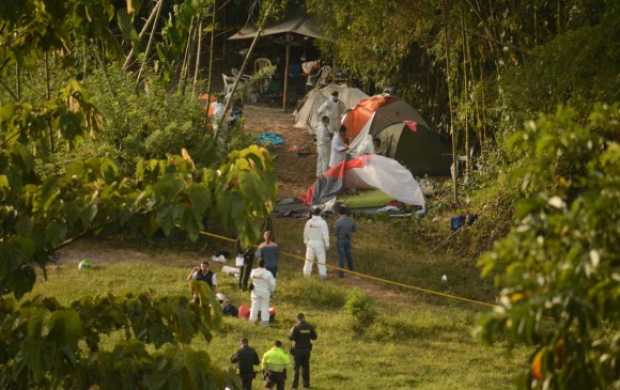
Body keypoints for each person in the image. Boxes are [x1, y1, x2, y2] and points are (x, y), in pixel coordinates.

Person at [289, 313, 318, 390]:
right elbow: (314, 337)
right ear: (304, 318)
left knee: (296, 368)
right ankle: (306, 385)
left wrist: (291, 331)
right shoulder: (309, 326)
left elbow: (291, 338)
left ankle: (294, 386)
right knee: (306, 367)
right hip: (307, 350)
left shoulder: (296, 327)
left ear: (297, 318)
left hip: (298, 350)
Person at [303, 207, 329, 280]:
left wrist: (306, 242)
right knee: (321, 261)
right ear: (320, 213)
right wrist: (327, 244)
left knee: (308, 260)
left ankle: (306, 276)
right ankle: (322, 276)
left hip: (310, 243)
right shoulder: (323, 222)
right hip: (319, 243)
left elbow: (305, 233)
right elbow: (325, 234)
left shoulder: (309, 222)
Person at [249, 259, 276, 326]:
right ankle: (264, 321)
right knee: (265, 306)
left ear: (258, 264)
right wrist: (272, 291)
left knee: (254, 306)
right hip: (265, 292)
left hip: (255, 291)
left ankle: (252, 320)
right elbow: (272, 284)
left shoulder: (253, 272)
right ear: (264, 264)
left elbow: (251, 280)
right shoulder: (268, 273)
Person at [335, 205, 356, 277]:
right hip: (348, 240)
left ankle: (341, 273)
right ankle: (352, 270)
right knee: (349, 255)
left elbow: (336, 232)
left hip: (340, 240)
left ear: (339, 212)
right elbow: (354, 230)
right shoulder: (351, 220)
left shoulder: (338, 221)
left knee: (341, 257)